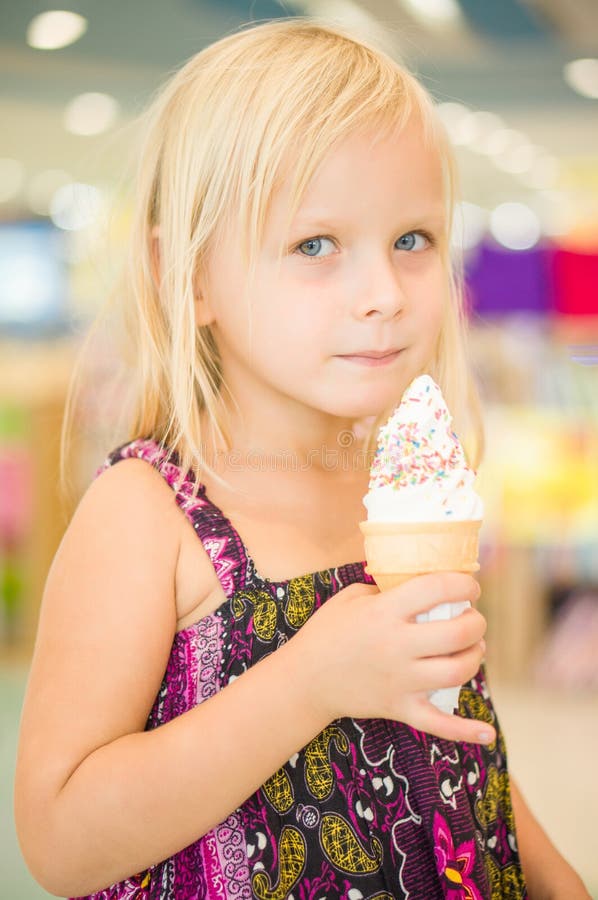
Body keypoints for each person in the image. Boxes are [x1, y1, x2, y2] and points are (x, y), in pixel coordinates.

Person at [14, 18, 589, 900]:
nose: (383, 295)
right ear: (188, 274)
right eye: (315, 245)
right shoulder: (148, 514)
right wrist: (310, 683)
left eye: (412, 239)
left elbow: (465, 751)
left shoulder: (400, 493)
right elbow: (60, 841)